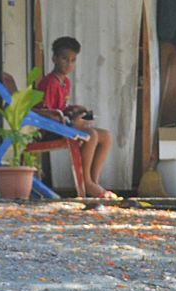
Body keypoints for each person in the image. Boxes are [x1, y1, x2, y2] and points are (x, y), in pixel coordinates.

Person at [35, 36, 117, 200]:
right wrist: (73, 122)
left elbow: (60, 108)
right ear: (54, 58)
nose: (69, 64)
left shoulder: (65, 82)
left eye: (73, 60)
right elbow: (43, 112)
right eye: (65, 59)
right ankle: (86, 182)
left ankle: (93, 181)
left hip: (61, 125)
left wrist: (74, 109)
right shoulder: (49, 82)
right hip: (48, 129)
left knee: (106, 136)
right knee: (91, 134)